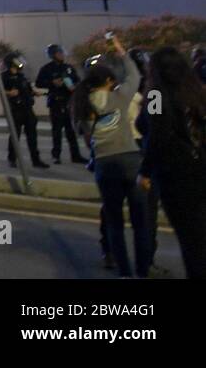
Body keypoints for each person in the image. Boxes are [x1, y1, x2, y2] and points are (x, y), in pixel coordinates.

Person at [72, 35, 152, 279]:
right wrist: (121, 52)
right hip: (130, 159)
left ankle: (124, 271)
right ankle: (142, 271)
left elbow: (86, 136)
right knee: (141, 223)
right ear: (108, 81)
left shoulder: (82, 104)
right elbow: (135, 77)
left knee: (114, 222)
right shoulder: (118, 97)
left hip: (104, 165)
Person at [139, 46, 206, 279]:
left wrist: (145, 171)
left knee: (191, 239)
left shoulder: (156, 95)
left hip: (175, 172)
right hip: (199, 167)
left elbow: (156, 134)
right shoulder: (194, 88)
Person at [0, 52, 49, 169]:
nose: (19, 63)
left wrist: (34, 92)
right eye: (17, 61)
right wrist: (9, 92)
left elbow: (28, 89)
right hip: (15, 110)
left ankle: (36, 160)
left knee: (32, 136)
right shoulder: (4, 76)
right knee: (15, 136)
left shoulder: (21, 76)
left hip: (27, 109)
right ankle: (12, 159)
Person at [36, 44, 84, 164]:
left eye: (62, 52)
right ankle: (56, 155)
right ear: (53, 55)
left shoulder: (68, 67)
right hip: (55, 102)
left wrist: (74, 86)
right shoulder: (46, 69)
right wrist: (52, 83)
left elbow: (77, 80)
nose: (62, 55)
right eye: (59, 53)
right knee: (56, 131)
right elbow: (39, 83)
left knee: (71, 131)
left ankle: (76, 155)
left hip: (68, 101)